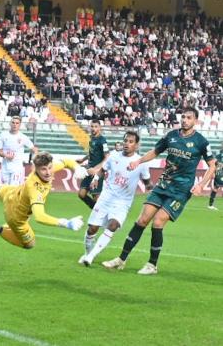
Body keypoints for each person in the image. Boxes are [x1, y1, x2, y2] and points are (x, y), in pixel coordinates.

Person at [103, 108, 216, 275]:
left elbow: (213, 165)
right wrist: (138, 161)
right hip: (163, 185)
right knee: (142, 220)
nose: (184, 120)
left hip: (181, 190)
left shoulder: (201, 142)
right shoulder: (171, 136)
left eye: (189, 118)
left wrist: (201, 185)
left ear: (195, 121)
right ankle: (121, 259)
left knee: (157, 222)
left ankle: (152, 265)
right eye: (183, 116)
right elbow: (155, 152)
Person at [78, 131, 152, 266]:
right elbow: (102, 170)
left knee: (113, 226)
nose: (126, 144)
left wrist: (151, 190)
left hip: (123, 202)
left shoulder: (141, 163)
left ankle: (91, 257)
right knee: (92, 229)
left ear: (136, 145)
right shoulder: (113, 156)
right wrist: (95, 179)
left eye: (130, 142)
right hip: (106, 197)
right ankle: (87, 253)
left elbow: (147, 182)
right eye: (125, 141)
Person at [77, 119, 109, 209]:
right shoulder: (91, 138)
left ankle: (99, 213)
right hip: (89, 170)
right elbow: (92, 152)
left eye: (96, 126)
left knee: (96, 198)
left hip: (97, 172)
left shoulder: (102, 140)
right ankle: (96, 211)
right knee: (81, 194)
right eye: (92, 126)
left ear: (100, 128)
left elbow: (107, 156)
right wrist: (83, 159)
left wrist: (96, 169)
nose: (93, 128)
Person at [0, 116, 38, 185]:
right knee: (5, 189)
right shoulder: (3, 135)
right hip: (5, 166)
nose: (15, 124)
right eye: (13, 122)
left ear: (20, 125)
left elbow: (34, 149)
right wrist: (6, 155)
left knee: (13, 188)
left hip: (17, 167)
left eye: (17, 123)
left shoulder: (23, 137)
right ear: (10, 124)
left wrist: (34, 162)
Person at [208, 146, 223, 210]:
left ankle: (210, 205)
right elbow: (213, 165)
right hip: (218, 174)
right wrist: (213, 173)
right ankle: (210, 205)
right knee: (215, 189)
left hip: (220, 173)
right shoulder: (218, 157)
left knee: (215, 189)